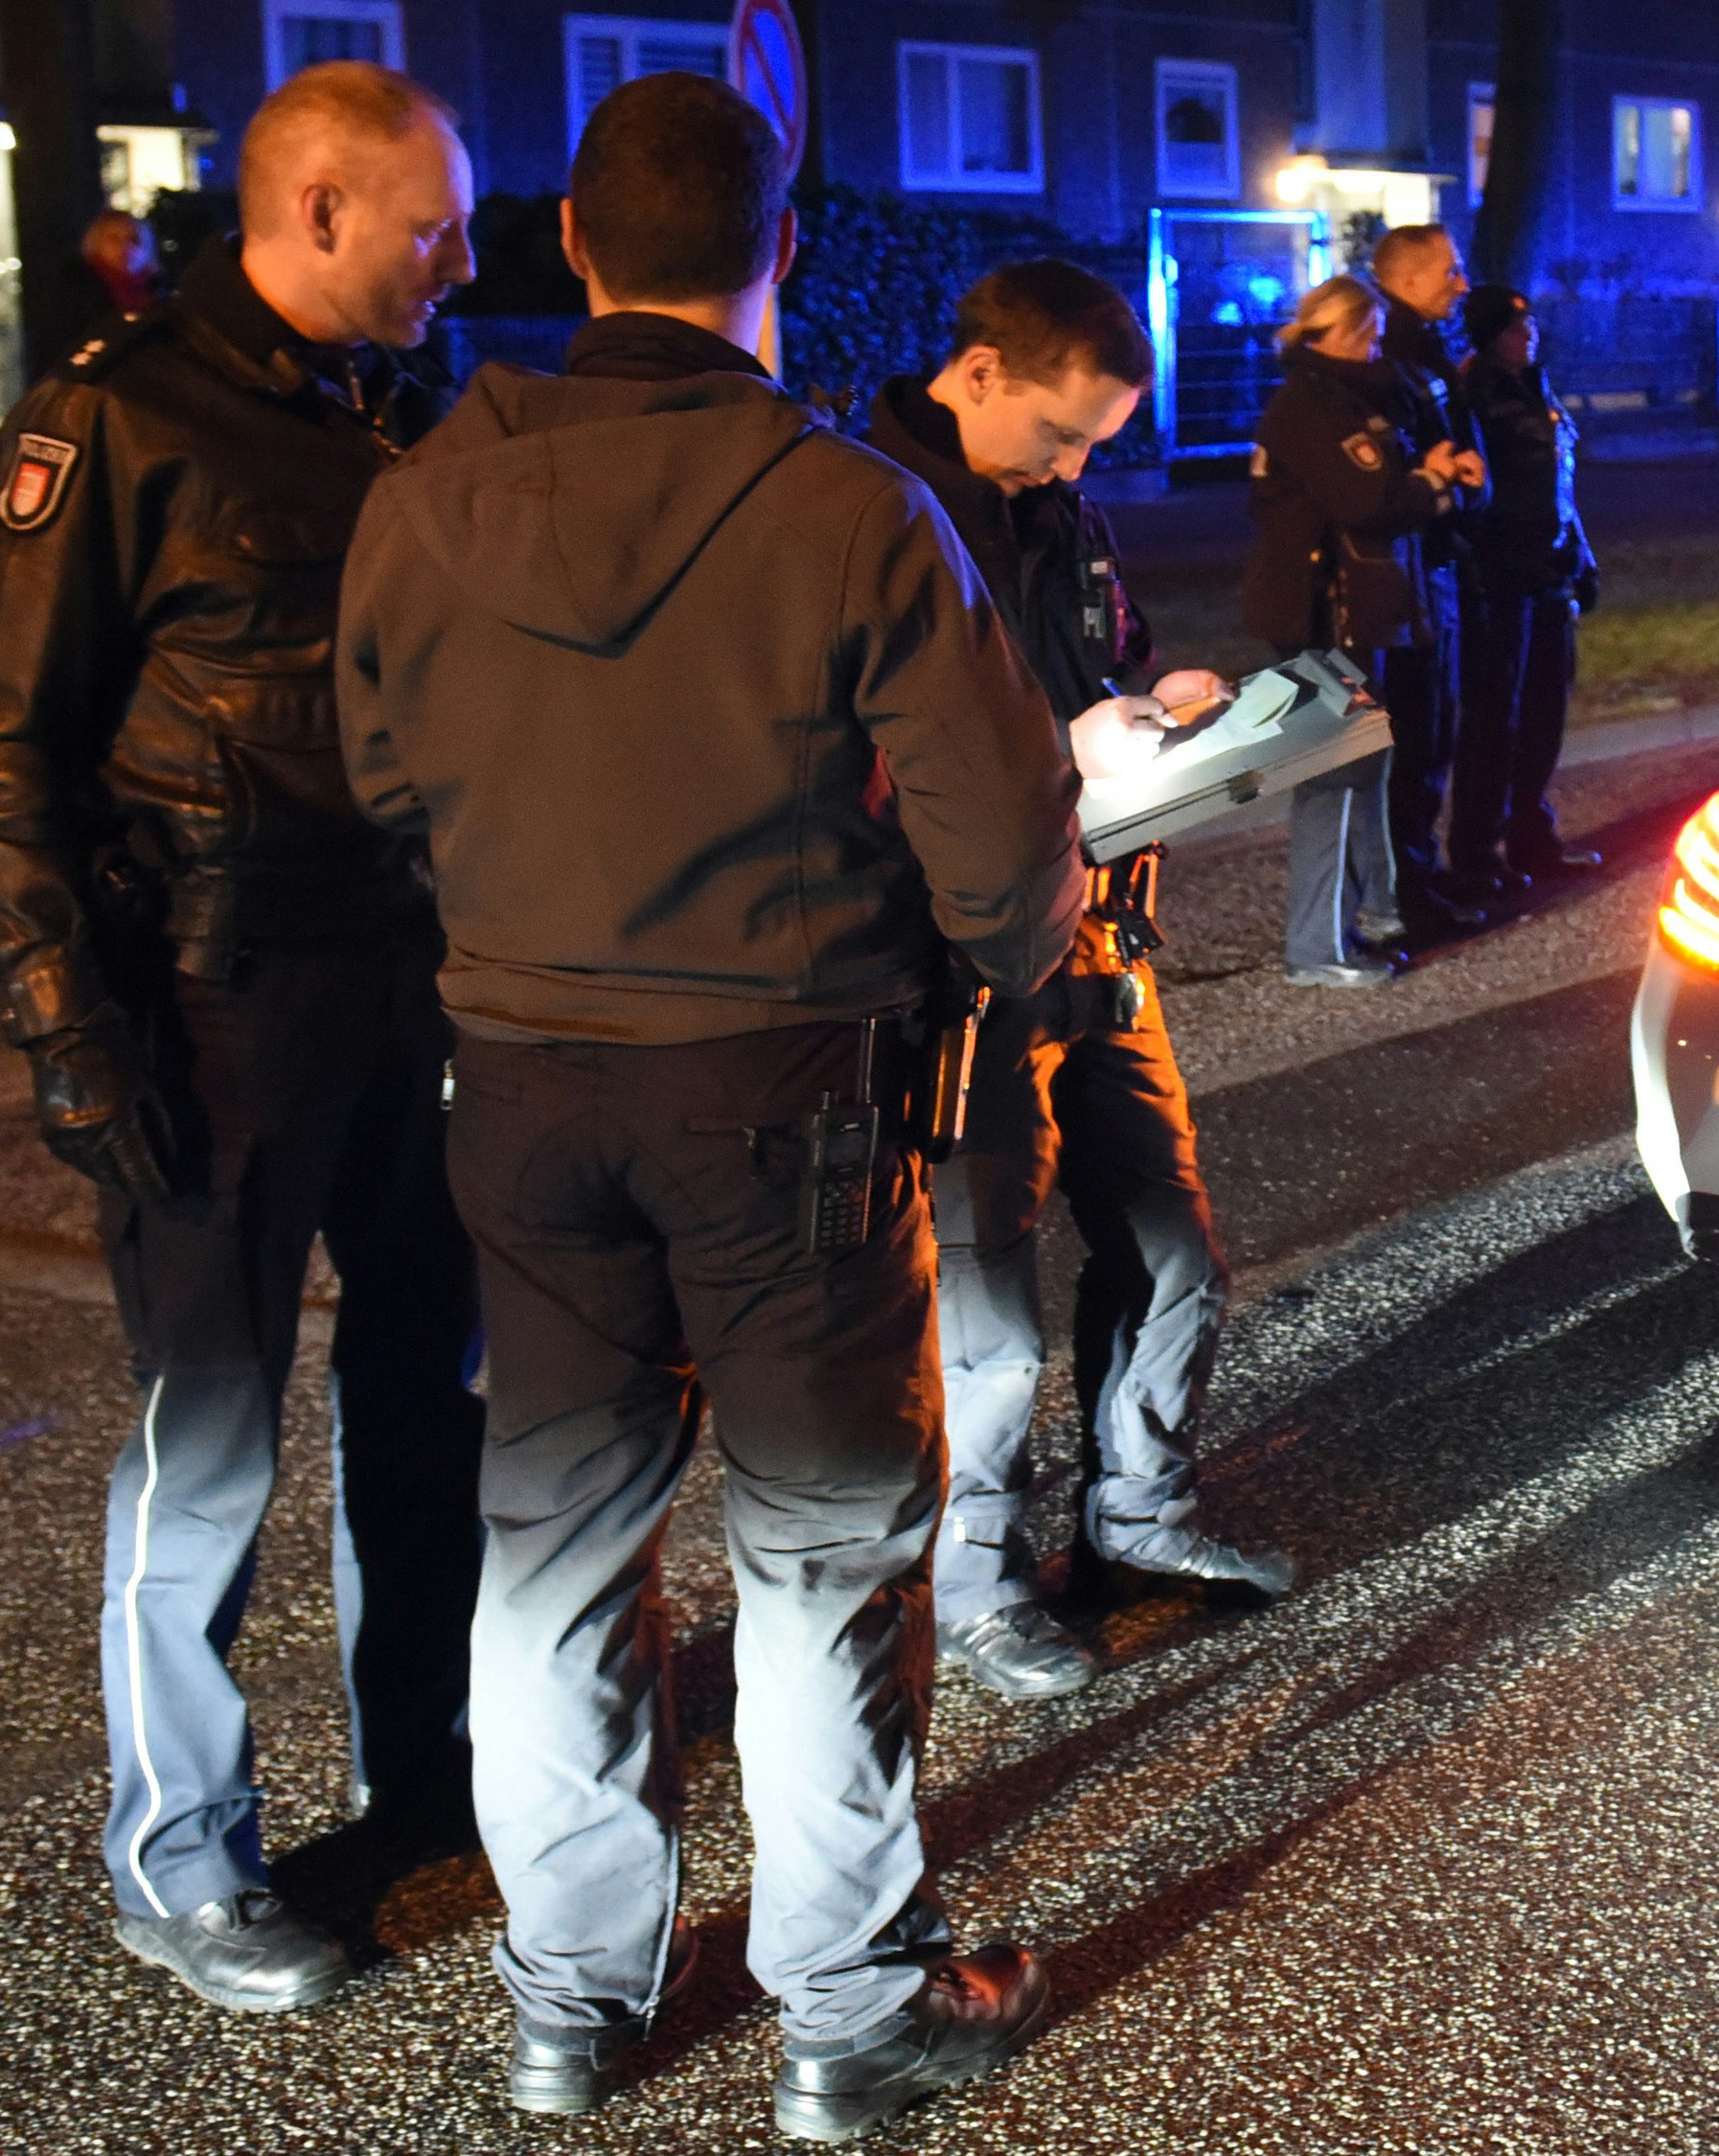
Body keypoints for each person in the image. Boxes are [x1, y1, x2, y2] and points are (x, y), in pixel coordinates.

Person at [335, 75, 1076, 2138]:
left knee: (554, 1552)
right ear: (779, 254)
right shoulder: (850, 507)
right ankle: (846, 2013)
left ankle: (571, 2001)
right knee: (824, 1546)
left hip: (528, 1088)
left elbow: (382, 787)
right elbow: (1009, 852)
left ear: (568, 243)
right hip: (786, 1099)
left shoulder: (421, 496)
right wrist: (987, 977)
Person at [0, 58, 481, 2019]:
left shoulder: (409, 410)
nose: (462, 258)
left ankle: (428, 1776)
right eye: (431, 225)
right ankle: (177, 1864)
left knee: (434, 1401)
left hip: (413, 986)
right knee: (210, 1441)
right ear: (320, 209)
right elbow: (4, 746)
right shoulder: (112, 416)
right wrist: (68, 1037)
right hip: (212, 1003)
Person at [861, 261, 1295, 1709]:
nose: (1076, 464)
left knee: (1174, 1249)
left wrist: (1162, 709)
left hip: (1100, 933)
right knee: (986, 1317)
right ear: (977, 372)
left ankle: (1139, 1519)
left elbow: (1107, 663)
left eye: (1099, 441)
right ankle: (978, 1585)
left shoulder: (1064, 513)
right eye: (1060, 432)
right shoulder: (865, 513)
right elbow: (858, 753)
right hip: (965, 961)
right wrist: (1065, 743)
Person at [1247, 273, 1478, 990]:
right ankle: (1318, 947)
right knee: (1335, 776)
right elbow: (1367, 499)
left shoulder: (1337, 397)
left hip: (1347, 611)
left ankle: (1370, 915)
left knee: (1365, 765)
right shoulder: (1312, 406)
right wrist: (1432, 482)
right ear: (1340, 333)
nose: (1378, 349)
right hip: (1321, 618)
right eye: (1370, 336)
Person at [1452, 284, 1603, 902]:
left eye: (1530, 326)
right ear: (1489, 337)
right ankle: (1479, 853)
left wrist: (1581, 558)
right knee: (1498, 723)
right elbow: (1486, 499)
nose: (1528, 336)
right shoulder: (1476, 395)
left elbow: (1559, 490)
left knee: (1545, 714)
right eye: (1514, 328)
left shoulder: (1538, 390)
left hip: (1549, 575)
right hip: (1504, 580)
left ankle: (1531, 836)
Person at [1365, 222, 1498, 928]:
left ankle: (1421, 876)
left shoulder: (1420, 351)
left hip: (1440, 559)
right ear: (1409, 280)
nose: (1461, 283)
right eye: (1449, 271)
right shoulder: (1392, 356)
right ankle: (1406, 889)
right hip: (1419, 566)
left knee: (1435, 727)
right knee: (1417, 732)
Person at [81, 208, 162, 317]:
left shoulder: (160, 292)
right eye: (114, 239)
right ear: (96, 243)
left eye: (134, 239)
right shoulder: (82, 293)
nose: (125, 247)